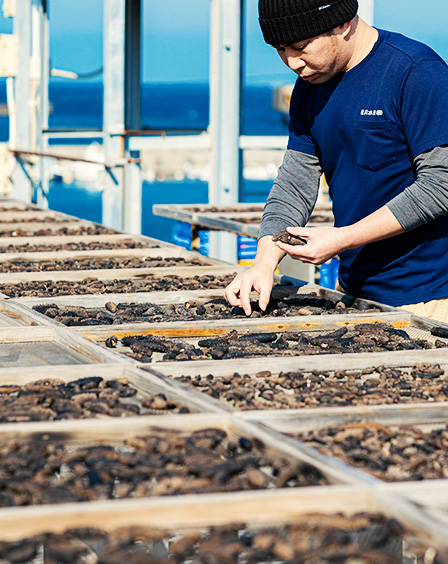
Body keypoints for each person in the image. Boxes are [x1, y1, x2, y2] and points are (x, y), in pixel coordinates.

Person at [224, 0, 448, 323]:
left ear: (342, 24)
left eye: (300, 47)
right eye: (280, 49)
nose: (292, 62)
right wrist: (262, 265)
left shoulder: (416, 72)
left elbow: (440, 185)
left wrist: (343, 238)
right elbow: (293, 185)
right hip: (350, 293)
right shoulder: (307, 91)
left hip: (429, 301)